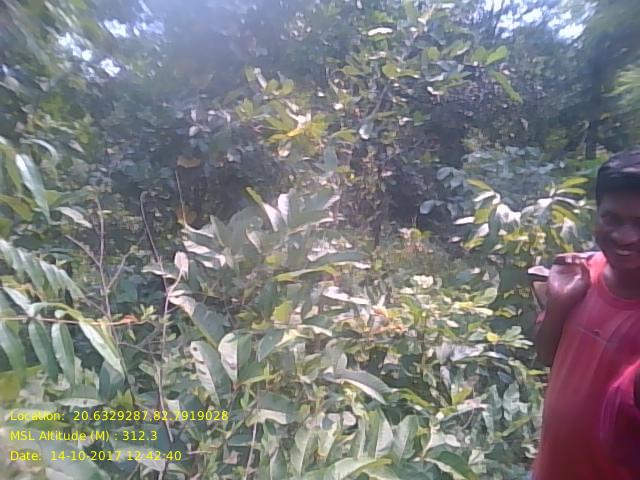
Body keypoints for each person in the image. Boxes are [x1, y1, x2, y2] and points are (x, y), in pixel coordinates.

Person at [532, 147, 640, 480]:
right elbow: (546, 356)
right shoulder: (582, 274)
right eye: (611, 218)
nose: (625, 237)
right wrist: (558, 305)